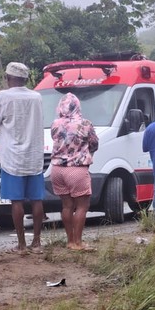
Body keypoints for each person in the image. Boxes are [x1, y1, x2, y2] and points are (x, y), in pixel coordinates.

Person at [0, 62, 46, 255]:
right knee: (37, 200)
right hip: (35, 157)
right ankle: (37, 241)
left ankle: (21, 244)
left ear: (8, 78)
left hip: (13, 157)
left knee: (16, 201)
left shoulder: (4, 96)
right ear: (26, 79)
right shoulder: (36, 97)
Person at [50, 93, 99, 252]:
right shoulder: (85, 124)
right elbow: (94, 143)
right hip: (76, 169)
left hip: (57, 170)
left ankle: (69, 241)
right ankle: (78, 243)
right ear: (77, 106)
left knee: (67, 206)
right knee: (82, 206)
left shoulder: (55, 124)